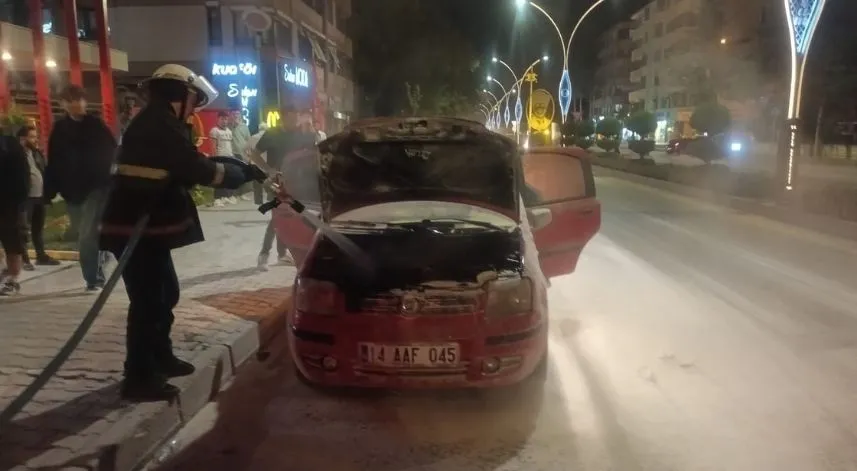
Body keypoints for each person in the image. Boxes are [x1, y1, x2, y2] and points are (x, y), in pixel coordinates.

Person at [100, 64, 265, 401]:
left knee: (166, 294)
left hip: (144, 229)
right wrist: (241, 175)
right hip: (135, 230)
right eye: (194, 96)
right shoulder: (158, 125)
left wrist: (239, 168)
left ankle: (161, 357)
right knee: (149, 302)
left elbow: (187, 161)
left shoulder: (163, 123)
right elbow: (195, 169)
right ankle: (139, 378)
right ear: (182, 94)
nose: (196, 104)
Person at [44, 84, 116, 293]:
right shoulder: (59, 130)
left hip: (96, 188)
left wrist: (106, 177)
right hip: (72, 192)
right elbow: (54, 160)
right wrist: (49, 191)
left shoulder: (96, 126)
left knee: (86, 235)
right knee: (84, 234)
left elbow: (110, 152)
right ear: (63, 105)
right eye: (71, 100)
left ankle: (92, 279)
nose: (77, 104)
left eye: (80, 100)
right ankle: (100, 259)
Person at [250, 106, 316, 270]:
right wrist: (268, 169)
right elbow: (254, 154)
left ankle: (282, 254)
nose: (296, 121)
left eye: (297, 117)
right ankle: (264, 255)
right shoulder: (272, 134)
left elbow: (313, 154)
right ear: (284, 117)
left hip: (298, 183)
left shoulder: (303, 134)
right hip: (277, 184)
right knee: (277, 218)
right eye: (292, 117)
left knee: (296, 215)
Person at [17, 125, 60, 270]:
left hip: (39, 196)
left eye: (36, 136)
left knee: (38, 229)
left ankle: (41, 256)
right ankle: (24, 260)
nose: (36, 140)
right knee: (22, 231)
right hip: (25, 198)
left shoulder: (36, 153)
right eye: (32, 137)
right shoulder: (15, 155)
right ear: (22, 139)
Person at [0, 133, 30, 296]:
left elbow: (22, 174)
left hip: (8, 203)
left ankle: (13, 279)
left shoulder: (8, 143)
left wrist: (19, 200)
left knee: (12, 240)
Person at [209, 111, 236, 207]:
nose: (224, 121)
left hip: (229, 158)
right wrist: (215, 158)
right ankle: (217, 198)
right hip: (219, 158)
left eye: (226, 119)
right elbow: (213, 146)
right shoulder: (214, 131)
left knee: (227, 178)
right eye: (222, 119)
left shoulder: (229, 131)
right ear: (218, 119)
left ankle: (225, 197)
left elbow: (230, 145)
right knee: (219, 178)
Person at [229, 109, 253, 201]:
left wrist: (249, 153)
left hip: (243, 153)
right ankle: (234, 194)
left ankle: (242, 194)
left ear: (240, 115)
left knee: (243, 174)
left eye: (237, 114)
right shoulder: (229, 126)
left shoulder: (244, 126)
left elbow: (248, 139)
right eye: (234, 113)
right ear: (231, 115)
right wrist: (234, 125)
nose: (236, 115)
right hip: (233, 153)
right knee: (234, 173)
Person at [245, 122, 269, 204]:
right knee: (269, 182)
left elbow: (246, 149)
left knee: (257, 184)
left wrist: (249, 157)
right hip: (266, 162)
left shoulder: (253, 137)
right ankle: (270, 199)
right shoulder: (268, 137)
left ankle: (258, 201)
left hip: (255, 163)